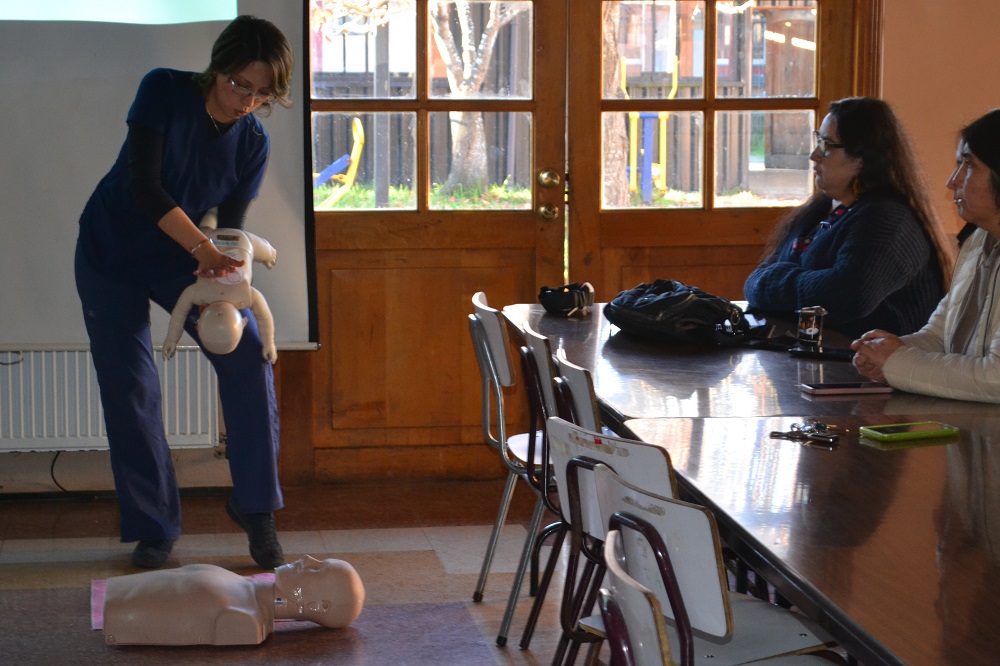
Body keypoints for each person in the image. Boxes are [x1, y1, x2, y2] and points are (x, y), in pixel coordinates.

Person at [74, 15, 294, 569]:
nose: (246, 101)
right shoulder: (164, 90)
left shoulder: (253, 143)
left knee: (246, 354)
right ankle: (154, 526)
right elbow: (144, 188)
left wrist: (229, 273)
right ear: (217, 66)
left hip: (183, 261)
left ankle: (255, 508)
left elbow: (231, 228)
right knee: (131, 387)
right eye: (239, 84)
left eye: (262, 93)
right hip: (110, 253)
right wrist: (205, 250)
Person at [744, 97, 955, 339]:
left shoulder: (887, 220)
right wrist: (789, 284)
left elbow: (847, 296)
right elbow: (755, 282)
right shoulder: (823, 210)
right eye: (817, 140)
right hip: (820, 363)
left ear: (861, 159)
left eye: (827, 145)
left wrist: (778, 282)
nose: (814, 155)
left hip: (869, 373)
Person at [852, 109, 1000, 403]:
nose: (952, 181)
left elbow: (995, 378)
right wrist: (887, 351)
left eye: (968, 166)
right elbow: (941, 337)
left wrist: (897, 362)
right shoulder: (978, 242)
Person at [103, 555, 365, 646]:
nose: (308, 560)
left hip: (118, 611)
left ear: (321, 606)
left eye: (318, 569)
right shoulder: (244, 588)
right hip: (119, 597)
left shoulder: (241, 618)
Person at [162, 214, 278, 361]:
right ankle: (212, 212)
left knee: (267, 252)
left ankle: (269, 254)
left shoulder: (246, 296)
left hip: (243, 240)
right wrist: (171, 339)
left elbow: (265, 318)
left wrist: (269, 344)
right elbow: (179, 313)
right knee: (205, 229)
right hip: (209, 239)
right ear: (198, 324)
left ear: (242, 323)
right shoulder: (198, 292)